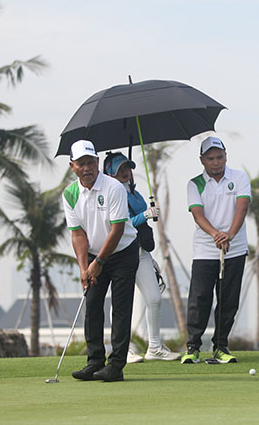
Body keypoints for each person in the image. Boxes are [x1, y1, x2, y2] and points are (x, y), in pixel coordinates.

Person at [62, 140, 139, 382]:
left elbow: (116, 230)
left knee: (121, 308)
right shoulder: (70, 194)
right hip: (96, 254)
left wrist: (99, 263)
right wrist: (84, 268)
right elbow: (78, 234)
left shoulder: (114, 187)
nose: (87, 168)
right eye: (81, 164)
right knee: (93, 304)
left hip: (123, 251)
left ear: (97, 162)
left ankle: (116, 365)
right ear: (72, 166)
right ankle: (94, 361)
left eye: (90, 162)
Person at [102, 152, 180, 362]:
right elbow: (121, 224)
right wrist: (146, 215)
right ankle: (122, 350)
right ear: (109, 173)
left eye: (127, 168)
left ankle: (154, 346)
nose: (126, 172)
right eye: (120, 170)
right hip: (121, 253)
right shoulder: (110, 193)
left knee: (154, 298)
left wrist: (149, 213)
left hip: (141, 251)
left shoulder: (133, 192)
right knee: (120, 303)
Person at [180, 136, 251, 364]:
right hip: (205, 249)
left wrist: (229, 234)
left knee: (228, 300)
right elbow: (198, 215)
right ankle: (193, 347)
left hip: (235, 248)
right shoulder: (195, 183)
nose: (216, 162)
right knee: (199, 298)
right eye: (210, 158)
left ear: (226, 156)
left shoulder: (239, 177)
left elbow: (242, 208)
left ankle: (221, 346)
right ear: (202, 160)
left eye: (219, 157)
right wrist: (216, 235)